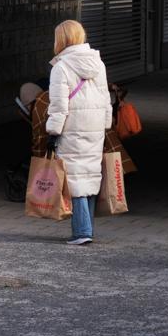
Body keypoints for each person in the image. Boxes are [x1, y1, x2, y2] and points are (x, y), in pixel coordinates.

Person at [46, 20, 112, 246]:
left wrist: (53, 131)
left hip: (72, 126)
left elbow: (58, 105)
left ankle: (82, 231)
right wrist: (106, 124)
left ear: (61, 39)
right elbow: (105, 98)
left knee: (75, 178)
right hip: (94, 126)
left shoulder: (60, 67)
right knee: (90, 176)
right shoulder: (98, 63)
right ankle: (88, 228)